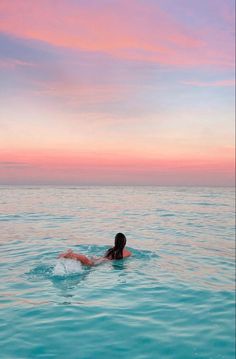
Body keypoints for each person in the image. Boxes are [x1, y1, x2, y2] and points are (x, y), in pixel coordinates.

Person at [58, 232, 132, 266]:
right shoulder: (126, 252)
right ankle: (71, 255)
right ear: (124, 242)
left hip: (100, 258)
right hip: (103, 261)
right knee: (88, 263)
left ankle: (71, 255)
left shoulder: (111, 249)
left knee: (87, 261)